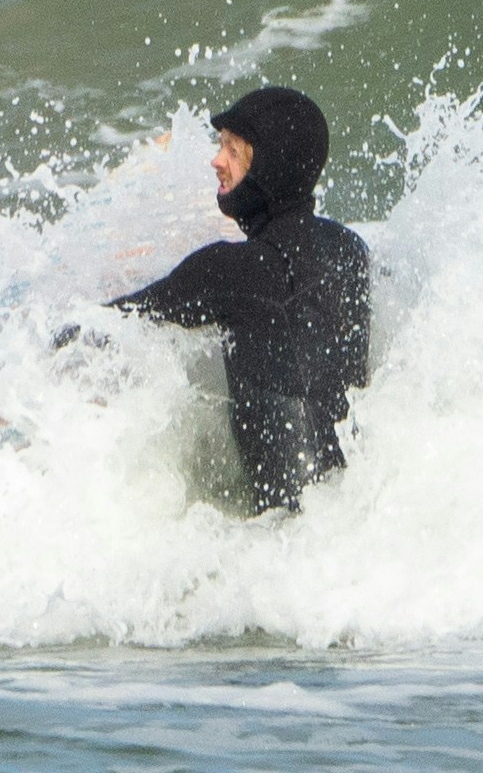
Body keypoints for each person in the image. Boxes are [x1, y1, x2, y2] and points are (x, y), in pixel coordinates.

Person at [98, 85, 374, 510]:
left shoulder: (230, 271)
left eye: (232, 149)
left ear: (270, 165)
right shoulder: (350, 250)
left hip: (282, 533)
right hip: (355, 510)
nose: (217, 160)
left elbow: (109, 325)